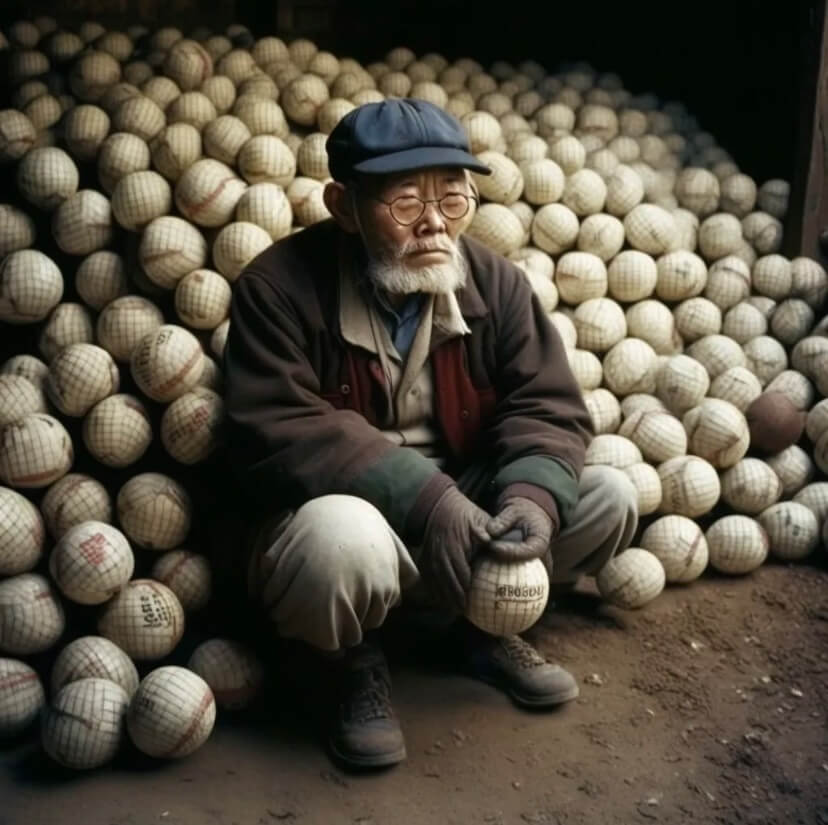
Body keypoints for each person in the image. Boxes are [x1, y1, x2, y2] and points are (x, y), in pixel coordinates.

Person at [222, 98, 638, 770]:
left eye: (454, 198)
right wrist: (429, 499)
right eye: (406, 202)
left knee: (604, 494)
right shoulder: (277, 289)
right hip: (354, 521)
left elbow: (547, 402)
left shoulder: (494, 282)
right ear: (345, 206)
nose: (435, 225)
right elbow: (281, 431)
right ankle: (347, 663)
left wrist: (526, 497)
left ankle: (481, 628)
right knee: (340, 539)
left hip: (464, 516)